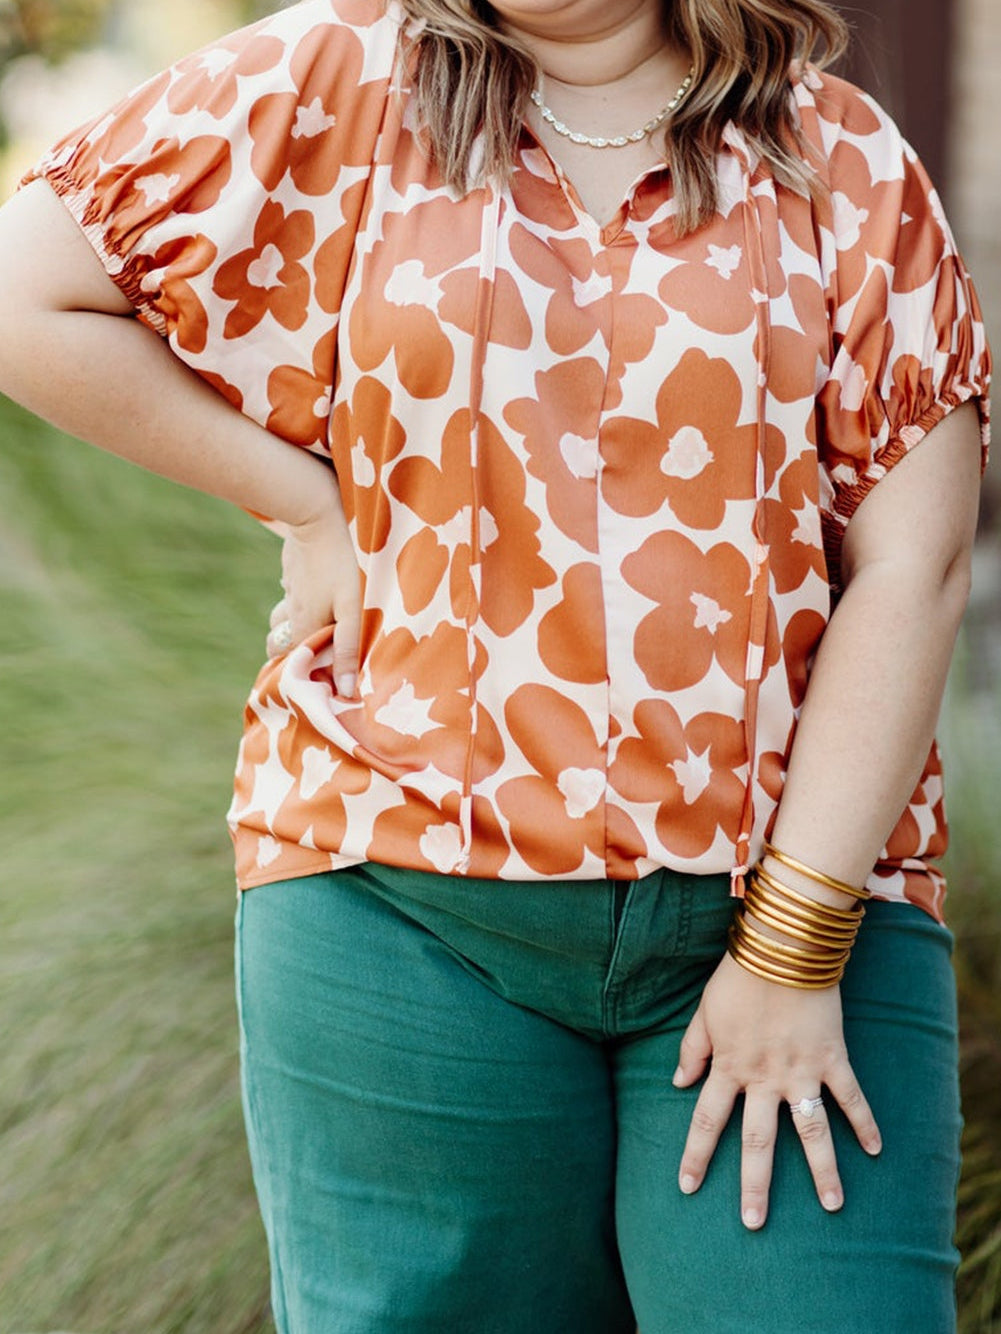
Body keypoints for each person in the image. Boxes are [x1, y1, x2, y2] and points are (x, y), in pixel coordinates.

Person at [0, 0, 991, 1328]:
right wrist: (303, 504)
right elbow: (27, 294)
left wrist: (792, 949)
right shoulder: (335, 78)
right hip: (401, 910)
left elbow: (911, 566)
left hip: (795, 897)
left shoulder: (840, 159)